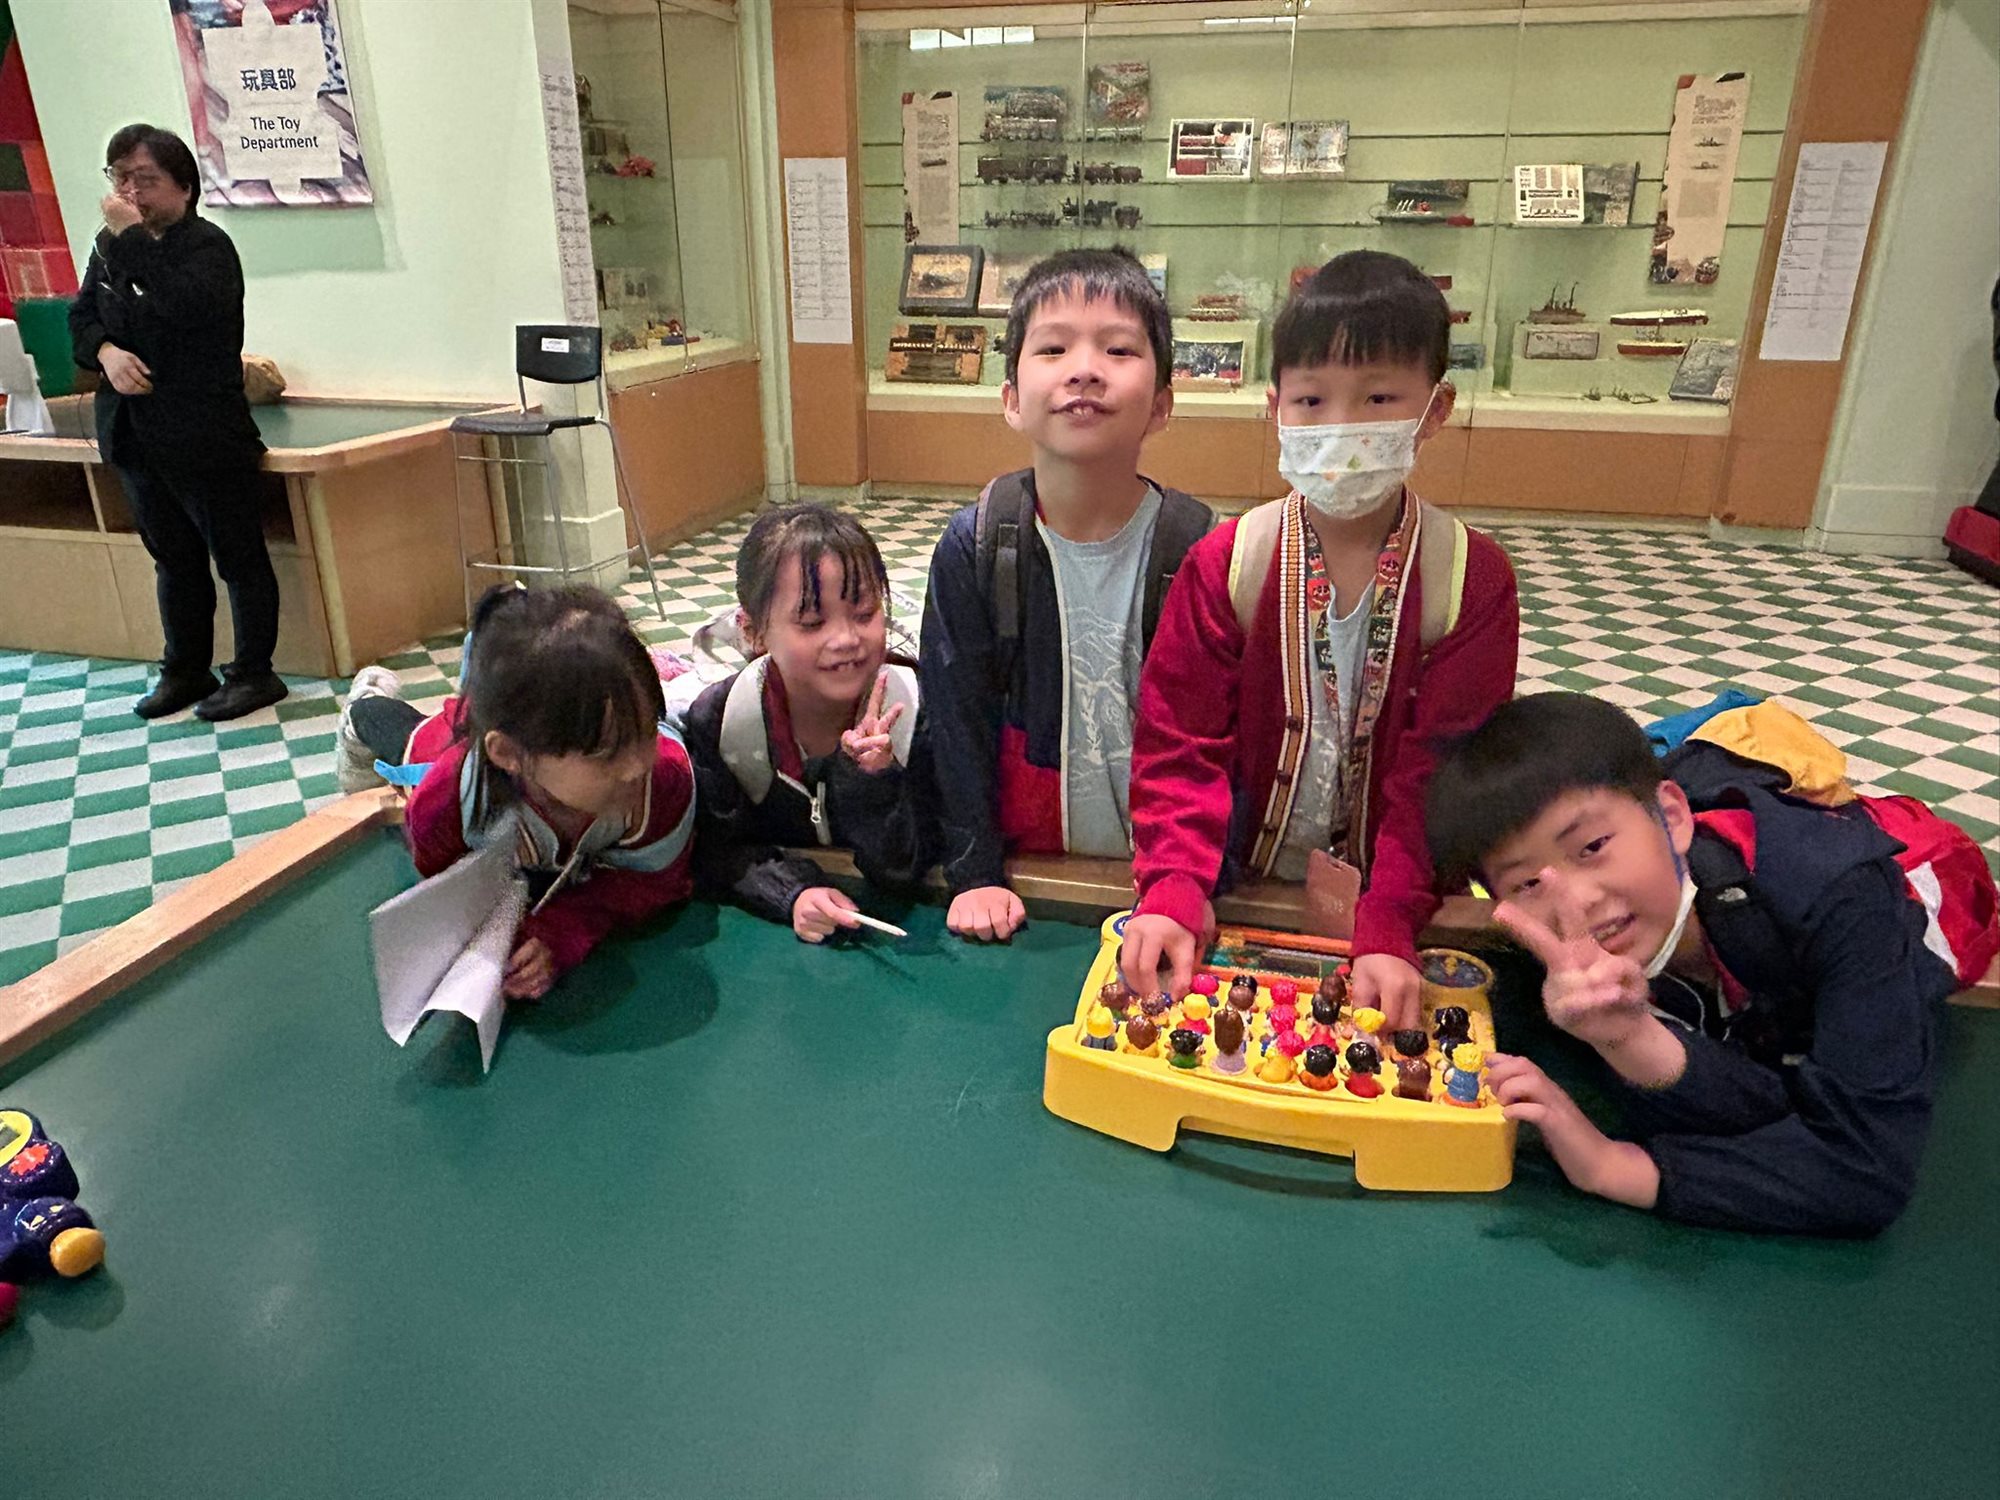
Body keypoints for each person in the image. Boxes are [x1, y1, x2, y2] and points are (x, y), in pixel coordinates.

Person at [1424, 691, 1995, 1235]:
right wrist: (1626, 1036)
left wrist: (1615, 1167)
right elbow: (1762, 1112)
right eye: (1527, 883)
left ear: (1672, 816)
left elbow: (1864, 1166)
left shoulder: (1844, 898)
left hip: (1911, 883)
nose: (1579, 900)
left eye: (1593, 847)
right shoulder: (1547, 967)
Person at [1119, 251, 1518, 1028]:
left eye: (1378, 398)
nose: (1341, 426)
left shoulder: (1471, 580)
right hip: (1237, 892)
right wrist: (1172, 884)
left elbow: (1443, 772)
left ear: (1436, 409)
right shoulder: (1228, 564)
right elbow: (1179, 743)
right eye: (1311, 399)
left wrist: (1392, 917)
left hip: (1394, 919)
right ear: (1274, 408)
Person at [918, 247, 1213, 943]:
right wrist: (974, 873)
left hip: (1167, 892)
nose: (1084, 369)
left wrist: (1190, 879)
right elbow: (956, 722)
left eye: (1118, 349)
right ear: (1011, 400)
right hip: (1027, 885)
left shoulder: (1199, 552)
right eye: (1053, 348)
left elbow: (1213, 744)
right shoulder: (976, 546)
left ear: (1162, 404)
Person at [336, 585, 695, 1000]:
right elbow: (447, 890)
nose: (637, 766)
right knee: (409, 739)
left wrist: (562, 930)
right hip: (454, 746)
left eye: (645, 731)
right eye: (603, 752)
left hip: (520, 736)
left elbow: (651, 884)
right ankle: (362, 708)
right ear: (509, 754)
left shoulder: (665, 780)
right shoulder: (450, 798)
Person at [67, 122, 283, 722]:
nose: (129, 192)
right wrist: (106, 353)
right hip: (134, 433)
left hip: (202, 430)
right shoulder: (108, 246)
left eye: (145, 179)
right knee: (173, 559)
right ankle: (185, 669)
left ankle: (255, 673)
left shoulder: (206, 247)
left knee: (237, 557)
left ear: (184, 187)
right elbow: (81, 319)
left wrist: (130, 237)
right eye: (120, 178)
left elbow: (181, 306)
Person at [680, 505, 932, 942]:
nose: (846, 639)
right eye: (812, 623)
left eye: (864, 612)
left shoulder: (918, 710)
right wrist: (793, 892)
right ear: (753, 631)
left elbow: (910, 868)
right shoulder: (721, 722)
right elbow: (719, 851)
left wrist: (872, 780)